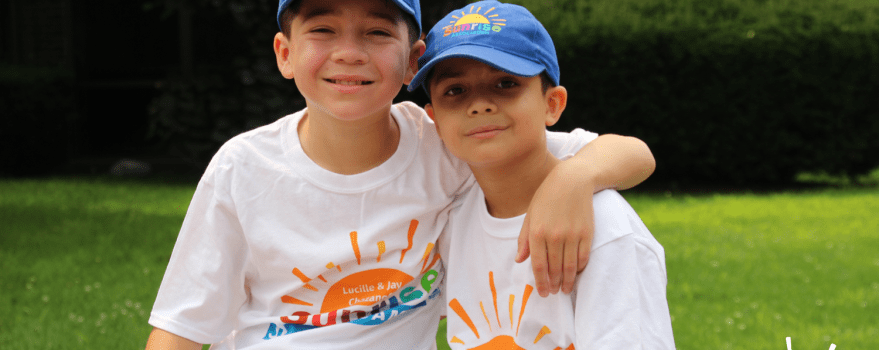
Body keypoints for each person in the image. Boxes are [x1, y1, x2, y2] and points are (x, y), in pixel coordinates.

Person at [144, 0, 656, 349]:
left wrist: (572, 180)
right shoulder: (243, 168)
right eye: (322, 28)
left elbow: (628, 152)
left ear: (413, 63)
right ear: (284, 52)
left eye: (376, 31)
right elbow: (181, 325)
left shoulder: (446, 143)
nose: (349, 51)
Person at [407, 1, 676, 348]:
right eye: (455, 91)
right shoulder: (452, 218)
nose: (480, 105)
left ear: (552, 105)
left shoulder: (604, 226)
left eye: (505, 83)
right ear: (435, 121)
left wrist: (572, 177)